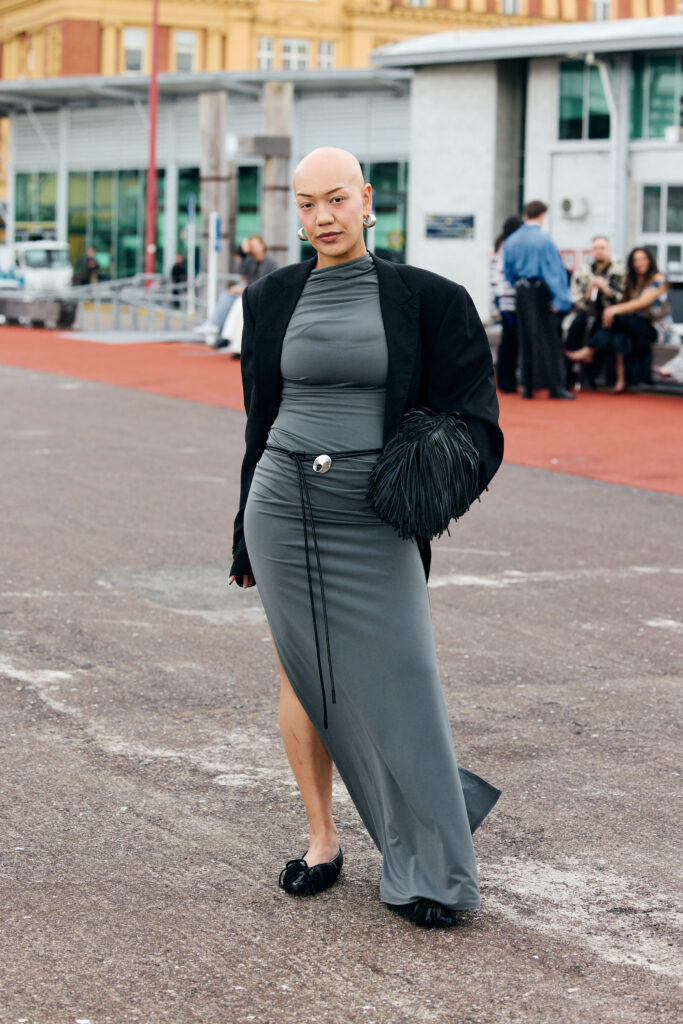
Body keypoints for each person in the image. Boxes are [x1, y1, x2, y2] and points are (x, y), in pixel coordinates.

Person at [228, 147, 504, 929]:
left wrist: (418, 485)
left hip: (374, 513)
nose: (322, 217)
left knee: (404, 673)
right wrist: (242, 534)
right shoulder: (269, 297)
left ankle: (433, 865)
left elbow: (476, 417)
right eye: (306, 203)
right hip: (282, 506)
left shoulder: (430, 298)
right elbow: (258, 421)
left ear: (367, 199)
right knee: (304, 680)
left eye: (336, 199)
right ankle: (322, 841)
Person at [569, 248, 669, 393]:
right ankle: (621, 380)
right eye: (636, 260)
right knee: (619, 336)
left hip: (654, 326)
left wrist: (613, 310)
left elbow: (642, 302)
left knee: (615, 318)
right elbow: (622, 303)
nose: (640, 263)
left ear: (650, 260)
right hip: (632, 325)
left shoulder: (658, 279)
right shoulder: (631, 281)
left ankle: (590, 350)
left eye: (643, 259)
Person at [503, 200, 574, 399]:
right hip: (541, 291)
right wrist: (561, 300)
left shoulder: (512, 240)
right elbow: (554, 272)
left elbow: (507, 270)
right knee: (549, 339)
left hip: (522, 292)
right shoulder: (544, 240)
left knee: (526, 338)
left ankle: (527, 385)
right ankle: (555, 387)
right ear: (542, 215)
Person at [564, 237, 626, 389]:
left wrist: (607, 291)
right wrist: (589, 293)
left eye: (602, 247)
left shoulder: (620, 271)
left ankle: (591, 374)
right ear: (591, 251)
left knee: (605, 329)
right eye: (596, 248)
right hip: (586, 313)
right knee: (575, 327)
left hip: (611, 315)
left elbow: (625, 298)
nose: (599, 251)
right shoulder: (583, 271)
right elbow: (575, 298)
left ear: (609, 249)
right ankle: (566, 376)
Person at [490, 215, 523, 393]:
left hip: (502, 300)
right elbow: (502, 277)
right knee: (510, 342)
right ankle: (506, 381)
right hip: (508, 301)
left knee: (508, 341)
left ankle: (505, 380)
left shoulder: (500, 245)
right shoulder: (508, 246)